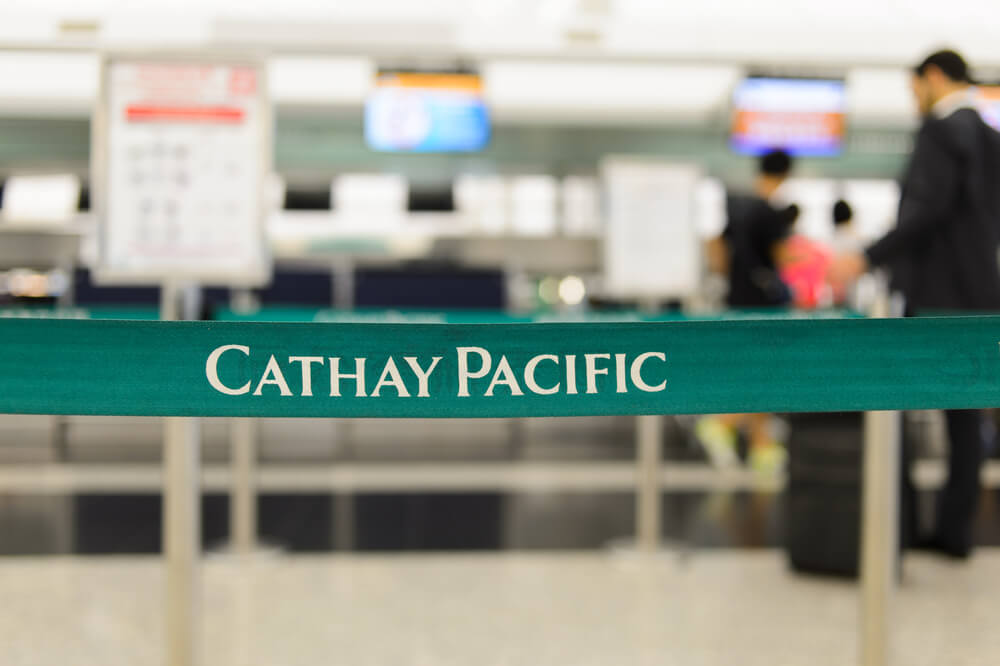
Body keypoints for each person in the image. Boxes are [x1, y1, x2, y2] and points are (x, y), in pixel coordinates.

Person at [830, 49, 1000, 558]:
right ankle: (955, 531)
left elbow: (926, 211)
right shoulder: (992, 137)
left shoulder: (937, 132)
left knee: (894, 407)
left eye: (914, 89)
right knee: (966, 417)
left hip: (936, 297)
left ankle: (898, 528)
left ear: (932, 78)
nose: (914, 100)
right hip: (981, 294)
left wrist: (866, 257)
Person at [698, 149, 798, 473]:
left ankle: (761, 446)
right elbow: (781, 257)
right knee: (766, 373)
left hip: (737, 300)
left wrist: (729, 278)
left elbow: (715, 246)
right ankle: (723, 423)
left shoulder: (739, 208)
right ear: (785, 175)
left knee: (752, 370)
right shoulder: (771, 214)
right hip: (765, 305)